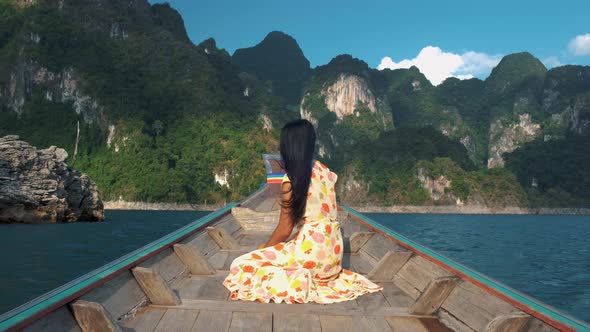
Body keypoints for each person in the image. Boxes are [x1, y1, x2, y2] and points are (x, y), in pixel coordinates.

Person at [222, 119, 382, 304]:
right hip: (332, 259)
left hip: (311, 255)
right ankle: (307, 275)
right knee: (282, 250)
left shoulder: (291, 180)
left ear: (288, 148)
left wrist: (264, 248)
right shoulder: (325, 171)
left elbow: (284, 229)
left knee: (242, 264)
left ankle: (300, 279)